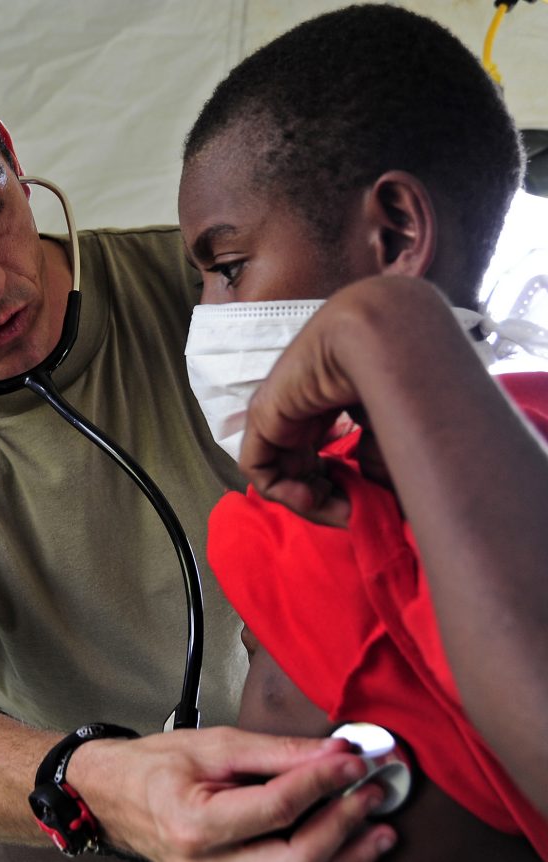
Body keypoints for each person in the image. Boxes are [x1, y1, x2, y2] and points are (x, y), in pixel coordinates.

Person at [0, 15, 399, 862]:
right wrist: (97, 783)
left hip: (298, 800)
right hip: (68, 833)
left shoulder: (207, 288)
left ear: (12, 157)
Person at [177, 3, 548, 858]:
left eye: (229, 270)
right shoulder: (339, 479)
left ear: (396, 235)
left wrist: (386, 326)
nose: (208, 318)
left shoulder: (518, 445)